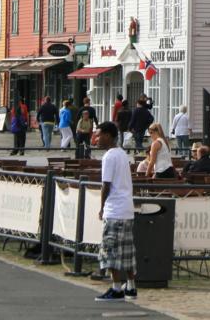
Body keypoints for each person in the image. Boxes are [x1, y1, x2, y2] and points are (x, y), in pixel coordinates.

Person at [95, 121, 137, 302]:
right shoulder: (122, 154)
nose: (96, 139)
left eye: (99, 135)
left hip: (114, 209)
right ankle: (131, 286)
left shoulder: (109, 156)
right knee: (127, 250)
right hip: (127, 208)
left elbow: (106, 185)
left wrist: (101, 207)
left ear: (108, 135)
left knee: (110, 250)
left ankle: (116, 287)